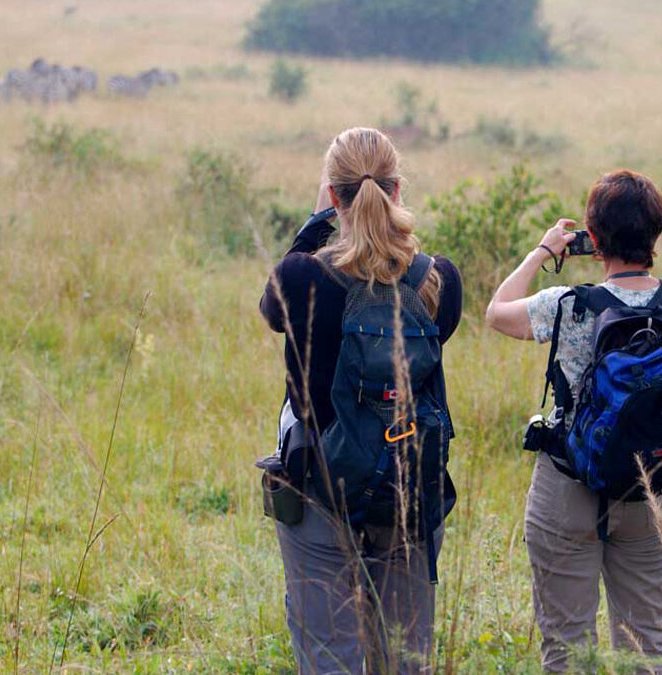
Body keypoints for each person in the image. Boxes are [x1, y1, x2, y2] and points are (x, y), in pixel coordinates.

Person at [259, 127, 462, 674]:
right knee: (405, 658)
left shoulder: (302, 277)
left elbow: (272, 309)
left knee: (329, 654)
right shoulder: (438, 280)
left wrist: (314, 224)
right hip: (408, 489)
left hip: (321, 488)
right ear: (396, 190)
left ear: (334, 196)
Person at [486, 170, 662, 674]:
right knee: (644, 645)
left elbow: (496, 312)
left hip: (569, 487)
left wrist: (542, 252)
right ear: (657, 232)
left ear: (595, 238)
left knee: (567, 651)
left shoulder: (568, 305)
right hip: (651, 487)